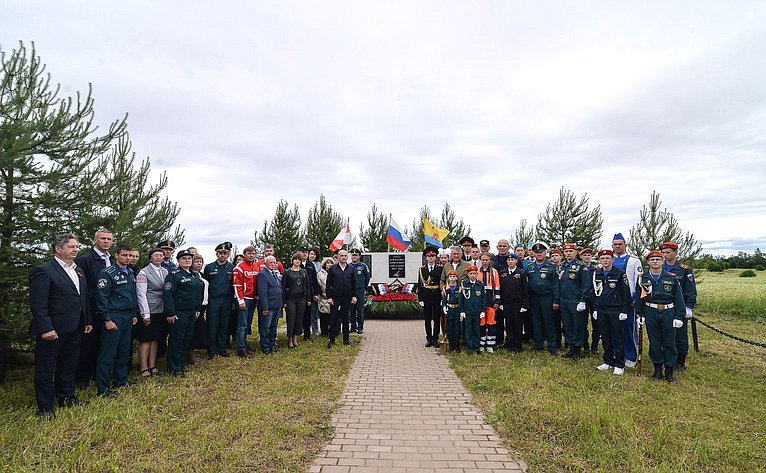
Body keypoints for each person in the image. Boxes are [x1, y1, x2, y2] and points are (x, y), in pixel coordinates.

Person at [29, 234, 93, 417]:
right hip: (53, 329)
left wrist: (87, 320)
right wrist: (46, 328)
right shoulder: (44, 270)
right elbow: (38, 304)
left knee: (68, 365)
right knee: (46, 369)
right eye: (71, 246)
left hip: (76, 327)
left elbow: (83, 298)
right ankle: (46, 407)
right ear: (58, 249)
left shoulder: (77, 270)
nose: (76, 249)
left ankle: (66, 397)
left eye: (77, 246)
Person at [95, 243, 138, 396]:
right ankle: (103, 387)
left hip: (127, 316)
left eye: (130, 255)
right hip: (114, 315)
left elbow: (132, 295)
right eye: (125, 255)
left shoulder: (130, 272)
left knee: (124, 350)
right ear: (116, 255)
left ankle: (121, 380)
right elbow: (102, 298)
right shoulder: (107, 273)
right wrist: (107, 319)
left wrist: (133, 314)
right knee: (108, 352)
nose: (128, 258)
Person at [637, 250, 686, 383]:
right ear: (648, 262)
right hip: (650, 312)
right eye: (652, 260)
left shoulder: (671, 277)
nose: (655, 262)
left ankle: (669, 371)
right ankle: (657, 370)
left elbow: (678, 298)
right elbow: (639, 297)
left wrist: (679, 316)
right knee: (655, 342)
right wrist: (640, 314)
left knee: (669, 342)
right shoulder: (643, 278)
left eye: (658, 259)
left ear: (662, 261)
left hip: (668, 312)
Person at [73, 227, 113, 388]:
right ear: (94, 240)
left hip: (109, 307)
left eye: (109, 239)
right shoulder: (85, 259)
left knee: (101, 344)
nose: (106, 241)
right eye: (103, 238)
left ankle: (98, 374)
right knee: (87, 345)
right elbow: (82, 285)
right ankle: (81, 377)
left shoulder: (111, 258)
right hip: (92, 308)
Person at [163, 250, 203, 376]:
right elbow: (168, 294)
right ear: (178, 261)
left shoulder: (194, 275)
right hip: (179, 312)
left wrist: (197, 309)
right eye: (184, 258)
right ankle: (174, 368)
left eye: (189, 258)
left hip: (191, 312)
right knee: (176, 340)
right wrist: (171, 312)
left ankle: (181, 364)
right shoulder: (174, 275)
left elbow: (198, 294)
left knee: (186, 339)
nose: (187, 260)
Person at [592, 249, 632, 375]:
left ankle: (619, 364)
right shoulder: (596, 274)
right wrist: (595, 309)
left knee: (618, 337)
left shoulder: (620, 274)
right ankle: (608, 361)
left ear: (612, 259)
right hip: (601, 309)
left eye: (608, 258)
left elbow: (626, 294)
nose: (605, 260)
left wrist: (624, 310)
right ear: (600, 260)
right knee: (605, 336)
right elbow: (593, 293)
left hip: (616, 310)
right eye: (603, 258)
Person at [660, 241, 697, 371]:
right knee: (665, 334)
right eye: (663, 252)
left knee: (680, 335)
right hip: (664, 306)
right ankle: (667, 357)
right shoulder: (660, 267)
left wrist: (688, 307)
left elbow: (690, 290)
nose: (665, 255)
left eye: (668, 252)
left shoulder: (684, 270)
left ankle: (681, 361)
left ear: (675, 253)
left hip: (679, 307)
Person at [135, 247, 168, 378]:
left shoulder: (165, 271)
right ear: (151, 257)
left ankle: (152, 365)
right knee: (146, 339)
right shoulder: (143, 272)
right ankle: (143, 367)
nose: (159, 257)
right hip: (149, 310)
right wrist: (145, 314)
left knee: (155, 339)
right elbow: (141, 294)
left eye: (161, 255)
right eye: (156, 255)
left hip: (161, 309)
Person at [611, 233, 643, 368]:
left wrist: (635, 300)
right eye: (615, 244)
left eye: (620, 244)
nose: (618, 247)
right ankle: (615, 354)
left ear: (625, 245)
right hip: (612, 301)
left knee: (629, 329)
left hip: (628, 301)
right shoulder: (608, 259)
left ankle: (630, 356)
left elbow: (639, 282)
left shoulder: (634, 261)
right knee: (613, 329)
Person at [526, 243, 560, 355]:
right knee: (536, 322)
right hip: (533, 298)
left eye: (541, 252)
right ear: (534, 254)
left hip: (547, 298)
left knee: (548, 322)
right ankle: (539, 344)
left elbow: (556, 285)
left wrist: (555, 301)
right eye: (537, 252)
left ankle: (552, 345)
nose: (539, 254)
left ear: (545, 253)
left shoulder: (551, 267)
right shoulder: (530, 267)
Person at [558, 243, 590, 361]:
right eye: (566, 252)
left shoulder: (581, 266)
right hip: (564, 300)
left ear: (576, 252)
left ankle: (577, 349)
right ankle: (571, 347)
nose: (568, 253)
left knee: (578, 326)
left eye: (571, 251)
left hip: (576, 300)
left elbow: (585, 285)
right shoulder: (562, 266)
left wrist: (583, 300)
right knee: (567, 325)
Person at [203, 242, 235, 359]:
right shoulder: (209, 267)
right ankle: (211, 349)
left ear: (228, 254)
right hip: (213, 300)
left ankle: (222, 348)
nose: (222, 255)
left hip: (227, 300)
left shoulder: (231, 268)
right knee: (212, 325)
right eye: (220, 253)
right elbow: (205, 284)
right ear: (216, 254)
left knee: (224, 325)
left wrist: (232, 301)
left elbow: (233, 286)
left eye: (225, 253)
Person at [325, 250, 357, 348]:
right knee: (333, 319)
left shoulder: (351, 269)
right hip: (335, 298)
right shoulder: (333, 269)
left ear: (347, 257)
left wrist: (354, 296)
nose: (343, 257)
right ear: (338, 257)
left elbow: (354, 284)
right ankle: (331, 340)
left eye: (345, 256)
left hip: (347, 298)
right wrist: (329, 297)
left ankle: (346, 340)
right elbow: (328, 284)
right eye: (341, 256)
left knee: (346, 319)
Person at [499, 253, 528, 353]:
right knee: (509, 324)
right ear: (506, 261)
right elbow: (501, 289)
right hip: (506, 303)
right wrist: (501, 303)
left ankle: (518, 346)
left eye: (512, 260)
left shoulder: (521, 273)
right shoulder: (502, 273)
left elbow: (525, 289)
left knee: (518, 325)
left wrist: (524, 304)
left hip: (518, 304)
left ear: (516, 261)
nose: (510, 261)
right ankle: (510, 345)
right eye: (509, 260)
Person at [233, 246, 258, 357]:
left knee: (247, 324)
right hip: (244, 299)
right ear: (245, 254)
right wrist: (240, 300)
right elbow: (237, 285)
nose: (251, 255)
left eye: (253, 253)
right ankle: (241, 349)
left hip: (253, 298)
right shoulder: (239, 267)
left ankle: (244, 343)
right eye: (249, 253)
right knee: (242, 324)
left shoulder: (256, 266)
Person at [417, 246, 443, 348]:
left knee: (436, 319)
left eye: (433, 256)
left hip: (437, 296)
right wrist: (421, 299)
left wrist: (442, 298)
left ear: (436, 257)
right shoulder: (422, 269)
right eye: (429, 256)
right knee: (427, 319)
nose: (431, 258)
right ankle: (429, 338)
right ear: (426, 258)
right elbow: (420, 285)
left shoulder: (440, 269)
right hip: (426, 296)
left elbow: (442, 283)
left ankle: (435, 339)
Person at [283, 252, 310, 349]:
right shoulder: (287, 272)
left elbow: (307, 286)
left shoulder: (304, 272)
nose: (297, 261)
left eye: (299, 259)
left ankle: (295, 337)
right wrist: (284, 301)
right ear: (292, 261)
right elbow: (283, 287)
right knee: (291, 318)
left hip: (301, 298)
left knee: (299, 319)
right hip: (291, 298)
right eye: (296, 259)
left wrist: (308, 299)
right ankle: (289, 338)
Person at [458, 266, 487, 354]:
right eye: (470, 273)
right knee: (468, 330)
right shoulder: (464, 284)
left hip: (477, 311)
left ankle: (477, 347)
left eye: (474, 273)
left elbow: (483, 299)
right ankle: (470, 347)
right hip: (468, 311)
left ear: (477, 274)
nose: (472, 275)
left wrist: (483, 310)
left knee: (477, 329)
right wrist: (462, 310)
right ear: (467, 274)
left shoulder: (480, 285)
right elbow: (461, 299)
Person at [257, 256, 283, 354]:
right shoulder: (263, 274)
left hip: (276, 305)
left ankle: (272, 345)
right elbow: (263, 292)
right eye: (271, 262)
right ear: (266, 263)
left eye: (274, 262)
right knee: (265, 328)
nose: (273, 264)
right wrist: (265, 308)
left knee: (273, 327)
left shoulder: (275, 274)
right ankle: (265, 347)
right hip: (269, 306)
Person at [187, 254, 210, 365]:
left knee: (199, 330)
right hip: (195, 307)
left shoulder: (201, 275)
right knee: (193, 331)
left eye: (200, 261)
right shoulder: (190, 276)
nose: (199, 264)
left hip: (203, 305)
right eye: (196, 261)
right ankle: (191, 356)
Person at [478, 253, 500, 352]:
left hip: (491, 300)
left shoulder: (494, 272)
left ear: (490, 260)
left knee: (491, 322)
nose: (485, 262)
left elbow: (497, 287)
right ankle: (482, 344)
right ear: (480, 260)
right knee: (482, 323)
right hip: (480, 302)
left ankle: (490, 345)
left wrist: (497, 301)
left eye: (486, 260)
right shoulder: (477, 271)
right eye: (483, 260)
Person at [579, 248, 600, 354]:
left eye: (589, 255)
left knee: (596, 323)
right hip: (583, 298)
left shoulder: (596, 270)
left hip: (594, 298)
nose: (587, 257)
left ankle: (595, 346)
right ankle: (585, 345)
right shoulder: (579, 269)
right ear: (581, 257)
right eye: (584, 255)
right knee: (583, 322)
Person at [349, 249, 370, 334]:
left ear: (359, 256)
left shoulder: (363, 266)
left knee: (360, 309)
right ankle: (353, 327)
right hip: (350, 291)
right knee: (351, 310)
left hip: (360, 290)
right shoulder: (348, 266)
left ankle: (360, 327)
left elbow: (367, 278)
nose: (354, 256)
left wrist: (363, 287)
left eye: (356, 255)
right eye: (353, 255)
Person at [442, 270, 462, 352]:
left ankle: (457, 346)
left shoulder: (460, 287)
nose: (452, 278)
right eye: (450, 276)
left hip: (457, 309)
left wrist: (461, 310)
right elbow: (444, 299)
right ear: (448, 278)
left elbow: (461, 300)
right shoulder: (445, 288)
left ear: (457, 278)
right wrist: (444, 306)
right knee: (449, 328)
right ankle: (451, 345)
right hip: (449, 309)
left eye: (454, 276)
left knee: (457, 328)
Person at [307, 247, 323, 336]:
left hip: (317, 289)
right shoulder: (305, 264)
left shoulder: (319, 265)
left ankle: (315, 329)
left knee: (314, 312)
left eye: (314, 254)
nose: (312, 256)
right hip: (307, 290)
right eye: (311, 254)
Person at [317, 257, 334, 337]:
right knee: (324, 317)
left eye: (331, 263)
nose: (329, 264)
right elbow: (317, 285)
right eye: (327, 263)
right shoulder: (320, 273)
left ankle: (333, 332)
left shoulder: (335, 272)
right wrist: (321, 293)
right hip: (323, 298)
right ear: (324, 264)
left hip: (333, 297)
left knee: (333, 317)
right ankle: (324, 333)